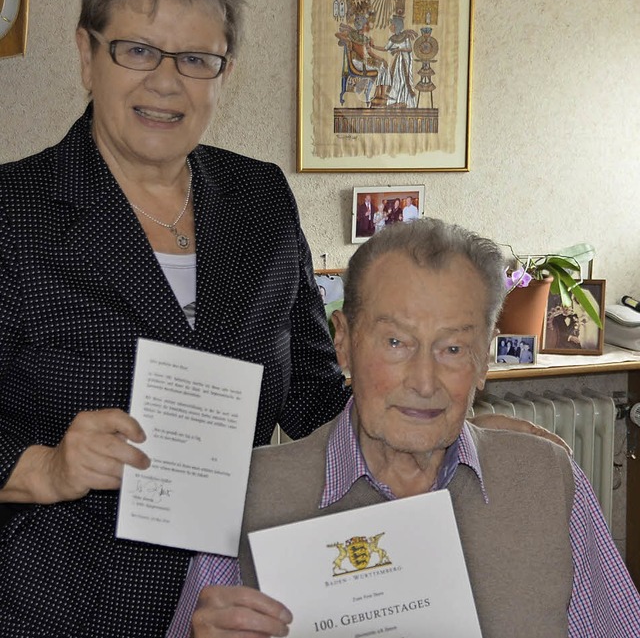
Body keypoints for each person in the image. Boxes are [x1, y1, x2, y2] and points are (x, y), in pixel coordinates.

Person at [0, 0, 350, 636]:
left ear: (223, 74)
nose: (167, 82)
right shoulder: (15, 211)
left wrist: (439, 426)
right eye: (138, 50)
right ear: (86, 55)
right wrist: (43, 467)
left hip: (232, 599)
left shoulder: (261, 200)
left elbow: (313, 392)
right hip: (57, 606)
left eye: (196, 59)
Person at [169, 219, 640, 638]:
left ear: (486, 360)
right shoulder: (245, 494)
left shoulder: (547, 481)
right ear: (344, 343)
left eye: (453, 348)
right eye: (396, 342)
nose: (423, 381)